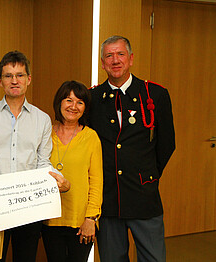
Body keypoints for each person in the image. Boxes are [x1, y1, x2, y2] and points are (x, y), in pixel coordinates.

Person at [0, 50, 70, 262]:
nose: (14, 81)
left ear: (28, 79)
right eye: (8, 76)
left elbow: (43, 161)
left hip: (28, 207)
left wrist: (54, 178)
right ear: (0, 81)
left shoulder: (42, 119)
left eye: (20, 75)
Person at [89, 35, 175, 262]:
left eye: (120, 54)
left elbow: (167, 143)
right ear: (102, 62)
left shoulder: (154, 94)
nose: (115, 60)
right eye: (109, 56)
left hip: (144, 196)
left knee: (153, 258)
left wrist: (148, 175)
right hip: (108, 200)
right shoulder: (92, 98)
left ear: (131, 58)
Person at [42, 80, 103, 262]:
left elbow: (97, 181)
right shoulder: (46, 134)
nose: (73, 106)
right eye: (68, 100)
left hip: (81, 221)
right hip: (50, 219)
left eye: (80, 102)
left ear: (85, 108)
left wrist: (91, 218)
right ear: (59, 102)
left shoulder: (91, 137)